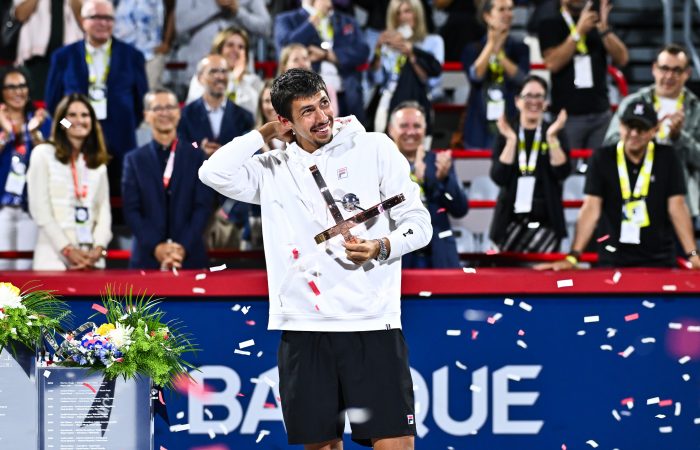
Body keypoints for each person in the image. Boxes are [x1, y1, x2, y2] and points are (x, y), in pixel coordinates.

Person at [199, 68, 431, 449]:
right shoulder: (272, 169)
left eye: (324, 103)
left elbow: (420, 224)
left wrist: (381, 246)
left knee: (396, 443)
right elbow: (213, 172)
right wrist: (265, 134)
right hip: (304, 327)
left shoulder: (375, 147)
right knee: (320, 445)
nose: (322, 117)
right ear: (285, 121)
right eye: (307, 111)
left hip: (372, 322)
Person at [536, 100, 700, 270]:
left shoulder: (667, 158)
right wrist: (573, 257)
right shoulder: (602, 158)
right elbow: (591, 208)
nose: (634, 134)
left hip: (659, 259)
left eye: (641, 128)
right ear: (620, 126)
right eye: (629, 126)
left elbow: (677, 207)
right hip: (613, 258)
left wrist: (693, 255)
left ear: (654, 131)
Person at [45, 0, 149, 196]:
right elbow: (54, 107)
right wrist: (71, 129)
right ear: (82, 21)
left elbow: (139, 104)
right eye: (96, 17)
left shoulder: (132, 56)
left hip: (121, 142)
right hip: (76, 144)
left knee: (122, 198)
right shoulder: (63, 57)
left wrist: (124, 125)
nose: (103, 22)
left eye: (108, 18)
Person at [604, 44, 700, 223]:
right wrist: (644, 137)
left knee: (683, 251)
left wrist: (679, 138)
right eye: (664, 69)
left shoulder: (696, 110)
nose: (669, 76)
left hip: (681, 205)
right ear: (654, 69)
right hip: (633, 196)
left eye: (677, 70)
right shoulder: (632, 103)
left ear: (687, 73)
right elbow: (610, 144)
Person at [122, 88, 214, 270]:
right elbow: (131, 211)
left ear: (179, 113)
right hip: (146, 259)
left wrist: (182, 247)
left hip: (190, 257)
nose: (164, 113)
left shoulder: (197, 157)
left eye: (170, 107)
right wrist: (157, 248)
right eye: (157, 108)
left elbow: (203, 207)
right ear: (146, 115)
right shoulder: (134, 160)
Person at [26, 93, 112, 271]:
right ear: (62, 122)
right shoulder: (43, 154)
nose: (79, 120)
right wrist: (67, 249)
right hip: (52, 258)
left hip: (91, 260)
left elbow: (104, 212)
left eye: (85, 115)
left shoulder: (98, 164)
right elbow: (39, 209)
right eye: (71, 115)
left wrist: (99, 248)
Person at [490, 75, 571, 253]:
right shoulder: (507, 131)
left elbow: (562, 172)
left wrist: (551, 138)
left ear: (546, 101)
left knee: (546, 280)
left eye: (539, 96)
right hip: (510, 224)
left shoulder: (555, 131)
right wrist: (511, 140)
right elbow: (499, 176)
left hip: (547, 225)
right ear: (518, 101)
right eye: (529, 96)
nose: (534, 101)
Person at [537, 0, 628, 150]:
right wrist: (578, 32)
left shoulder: (596, 21)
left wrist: (604, 30)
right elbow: (552, 64)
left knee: (601, 170)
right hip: (567, 116)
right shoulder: (550, 23)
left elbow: (622, 58)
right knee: (566, 170)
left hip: (600, 113)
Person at [388, 100, 467, 267]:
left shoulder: (439, 162)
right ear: (391, 129)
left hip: (439, 256)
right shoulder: (382, 165)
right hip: (399, 257)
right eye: (404, 125)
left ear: (425, 130)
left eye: (416, 126)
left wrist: (444, 180)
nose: (411, 132)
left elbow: (460, 209)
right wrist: (414, 180)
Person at [274, 0, 369, 123]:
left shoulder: (347, 20)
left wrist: (328, 55)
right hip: (308, 94)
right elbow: (285, 50)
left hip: (347, 93)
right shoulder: (286, 19)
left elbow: (363, 51)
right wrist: (314, 20)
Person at [456, 0, 529, 150]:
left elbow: (521, 78)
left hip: (511, 121)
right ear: (487, 16)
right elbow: (476, 76)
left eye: (510, 9)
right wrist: (491, 44)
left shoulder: (520, 47)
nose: (508, 14)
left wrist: (499, 54)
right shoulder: (472, 49)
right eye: (501, 9)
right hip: (479, 127)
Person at [0, 68, 51, 270]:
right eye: (11, 87)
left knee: (26, 268)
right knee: (2, 267)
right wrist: (5, 132)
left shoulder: (41, 117)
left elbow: (66, 125)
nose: (17, 91)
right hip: (1, 206)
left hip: (30, 206)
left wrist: (40, 130)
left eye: (22, 86)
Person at [368, 0, 442, 134]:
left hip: (419, 102)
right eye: (397, 13)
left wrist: (412, 54)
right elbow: (376, 79)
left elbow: (432, 81)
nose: (402, 17)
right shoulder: (388, 46)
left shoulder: (433, 42)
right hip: (388, 102)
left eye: (407, 11)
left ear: (417, 14)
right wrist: (378, 49)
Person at [174, 0, 271, 85]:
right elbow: (179, 25)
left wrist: (238, 12)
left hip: (241, 75)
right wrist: (215, 6)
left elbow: (266, 28)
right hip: (199, 69)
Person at [178, 54, 254, 158]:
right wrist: (198, 149)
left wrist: (226, 152)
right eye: (213, 71)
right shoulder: (185, 114)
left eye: (224, 71)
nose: (220, 76)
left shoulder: (245, 117)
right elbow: (183, 145)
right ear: (200, 78)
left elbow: (249, 150)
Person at [185, 27, 264, 117]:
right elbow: (198, 110)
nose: (235, 50)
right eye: (230, 45)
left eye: (241, 47)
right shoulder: (203, 77)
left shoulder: (253, 81)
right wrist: (234, 79)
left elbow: (253, 114)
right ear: (219, 48)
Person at [13, 0, 83, 99]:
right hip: (36, 59)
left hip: (69, 58)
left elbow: (84, 19)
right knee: (36, 102)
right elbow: (20, 15)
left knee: (68, 101)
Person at [113, 0, 175, 89]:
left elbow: (170, 11)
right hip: (122, 51)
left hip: (152, 51)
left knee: (151, 92)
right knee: (122, 91)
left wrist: (166, 42)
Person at [278, 43, 340, 116]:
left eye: (305, 58)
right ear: (284, 66)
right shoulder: (275, 93)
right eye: (296, 60)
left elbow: (332, 116)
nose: (302, 63)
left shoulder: (327, 89)